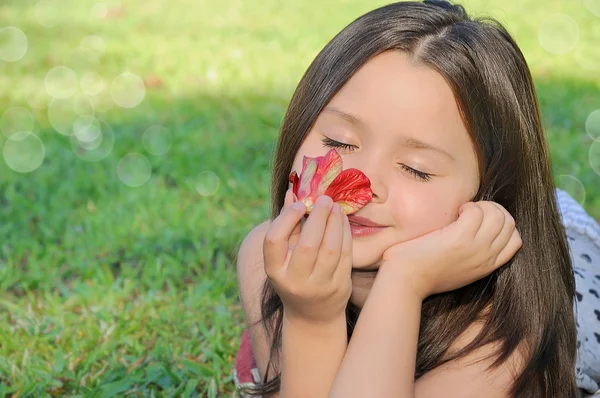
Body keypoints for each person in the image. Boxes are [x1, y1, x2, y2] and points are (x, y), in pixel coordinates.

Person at [233, 0, 600, 396]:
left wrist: (404, 281)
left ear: (488, 192)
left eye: (416, 168)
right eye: (339, 141)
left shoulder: (505, 330)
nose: (364, 182)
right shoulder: (267, 256)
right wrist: (310, 317)